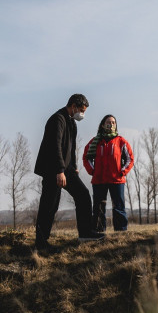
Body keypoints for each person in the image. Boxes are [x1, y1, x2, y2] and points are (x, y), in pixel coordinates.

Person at [33, 94, 100, 250]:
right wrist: (59, 171)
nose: (82, 114)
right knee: (50, 205)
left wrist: (74, 166)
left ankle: (85, 233)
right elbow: (54, 147)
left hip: (66, 168)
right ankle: (41, 243)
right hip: (53, 169)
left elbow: (71, 148)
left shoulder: (71, 123)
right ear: (73, 106)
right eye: (81, 110)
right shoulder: (57, 119)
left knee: (83, 195)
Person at [82, 115, 135, 232]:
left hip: (117, 179)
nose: (111, 124)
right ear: (102, 125)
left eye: (113, 122)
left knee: (119, 206)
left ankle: (120, 231)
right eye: (108, 122)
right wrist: (92, 171)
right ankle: (99, 232)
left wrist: (122, 172)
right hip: (99, 179)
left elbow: (129, 159)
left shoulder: (121, 141)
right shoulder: (95, 141)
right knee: (98, 207)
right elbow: (86, 158)